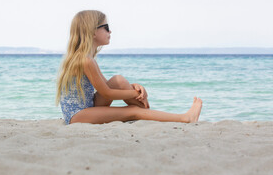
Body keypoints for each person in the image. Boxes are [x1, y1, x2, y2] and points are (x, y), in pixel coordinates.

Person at [56, 10, 203, 125]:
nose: (110, 31)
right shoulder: (85, 60)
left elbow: (108, 86)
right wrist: (134, 95)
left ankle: (146, 111)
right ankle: (185, 118)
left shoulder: (88, 58)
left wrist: (134, 87)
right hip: (78, 115)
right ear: (93, 31)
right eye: (106, 27)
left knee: (119, 80)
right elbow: (107, 93)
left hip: (89, 106)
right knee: (132, 110)